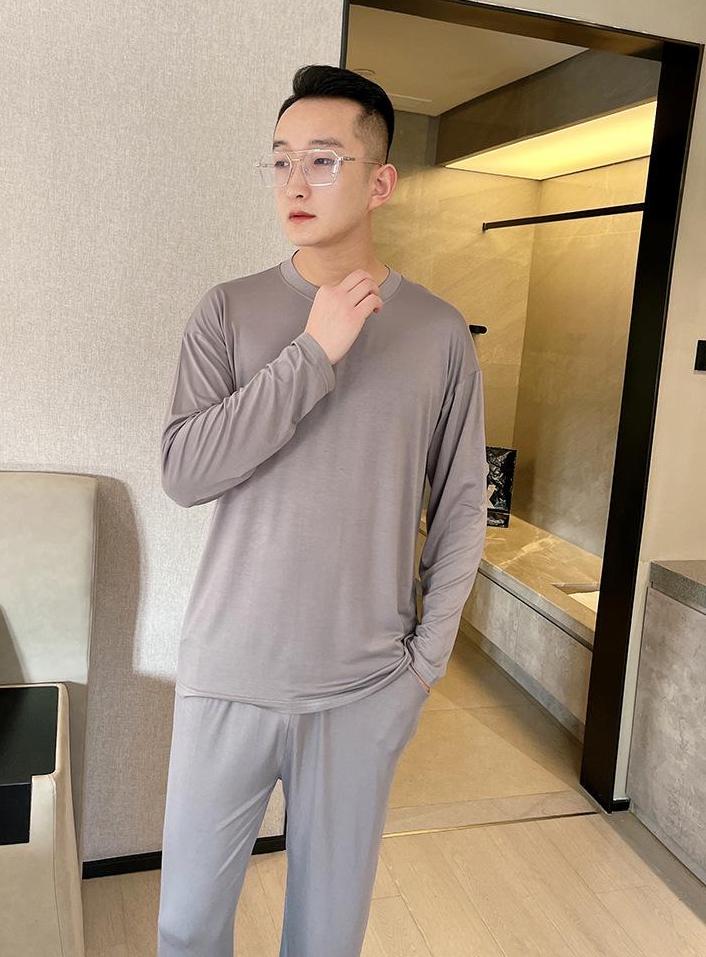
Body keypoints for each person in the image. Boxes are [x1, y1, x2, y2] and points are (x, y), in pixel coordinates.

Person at [157, 64, 489, 957]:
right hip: (229, 671)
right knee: (186, 926)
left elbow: (463, 507)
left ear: (380, 182)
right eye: (280, 160)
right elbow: (185, 472)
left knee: (325, 938)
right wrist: (311, 355)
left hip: (363, 687)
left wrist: (423, 667)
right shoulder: (228, 311)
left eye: (323, 159)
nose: (294, 182)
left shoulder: (438, 331)